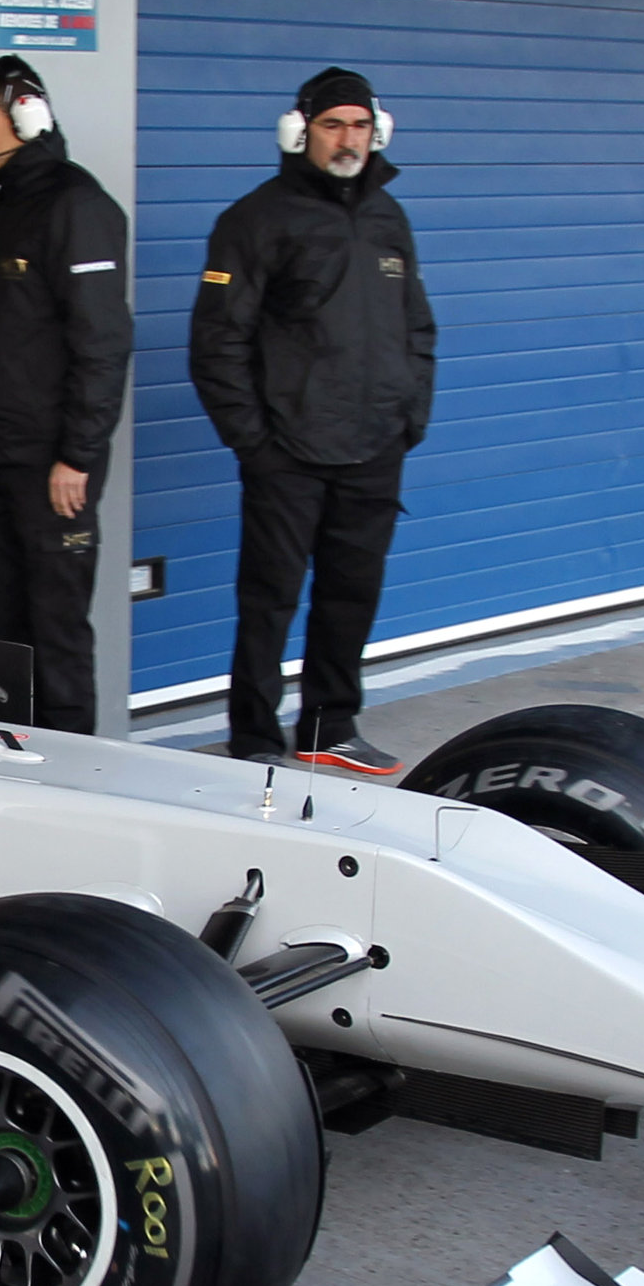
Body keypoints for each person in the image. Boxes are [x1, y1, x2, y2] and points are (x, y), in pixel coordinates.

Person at [189, 67, 437, 776]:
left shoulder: (388, 217)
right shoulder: (254, 220)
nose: (347, 138)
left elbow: (417, 326)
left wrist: (409, 416)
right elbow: (217, 342)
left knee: (351, 594)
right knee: (268, 601)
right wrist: (255, 444)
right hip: (288, 453)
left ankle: (331, 726)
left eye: (359, 125)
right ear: (300, 133)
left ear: (377, 132)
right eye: (332, 125)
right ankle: (254, 737)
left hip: (375, 448)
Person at [0, 56, 130, 735]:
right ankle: (14, 751)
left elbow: (103, 342)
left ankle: (76, 766)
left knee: (58, 627)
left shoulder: (77, 205)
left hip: (54, 463)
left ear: (25, 117)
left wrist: (78, 454)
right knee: (7, 628)